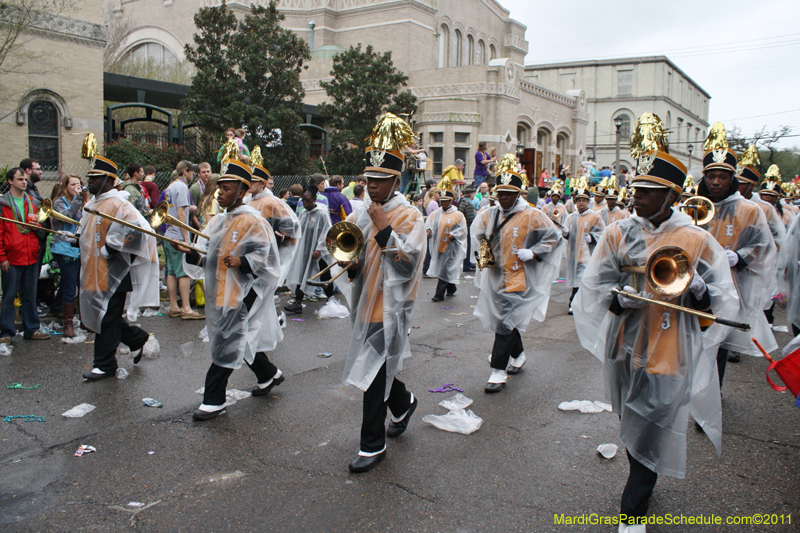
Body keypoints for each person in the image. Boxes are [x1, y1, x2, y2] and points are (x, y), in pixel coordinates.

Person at [573, 116, 738, 532]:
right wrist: (617, 298)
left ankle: (634, 508)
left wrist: (698, 288)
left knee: (655, 418)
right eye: (636, 189)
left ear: (672, 195)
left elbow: (719, 302)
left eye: (648, 191)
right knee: (632, 418)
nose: (638, 197)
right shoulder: (617, 233)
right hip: (625, 343)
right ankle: (643, 469)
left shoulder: (696, 238)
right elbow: (593, 286)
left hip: (670, 349)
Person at [338, 113, 425, 473]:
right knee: (378, 366)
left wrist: (383, 227)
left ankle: (372, 445)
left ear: (396, 180)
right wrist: (351, 266)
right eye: (368, 179)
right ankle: (403, 403)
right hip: (366, 302)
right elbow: (356, 258)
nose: (371, 186)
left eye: (380, 180)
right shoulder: (362, 213)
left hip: (392, 307)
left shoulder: (410, 216)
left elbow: (407, 266)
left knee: (371, 374)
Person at [177, 160, 283, 420]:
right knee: (238, 338)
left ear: (242, 190)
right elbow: (210, 259)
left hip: (244, 292)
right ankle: (268, 374)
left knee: (227, 340)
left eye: (226, 188)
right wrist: (193, 255)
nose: (220, 192)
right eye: (219, 188)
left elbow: (268, 260)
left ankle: (214, 400)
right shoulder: (218, 222)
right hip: (221, 291)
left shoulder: (254, 222)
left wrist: (243, 262)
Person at [471, 154, 563, 393]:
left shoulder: (532, 215)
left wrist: (533, 253)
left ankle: (498, 371)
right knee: (503, 320)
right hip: (495, 276)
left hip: (520, 277)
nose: (503, 198)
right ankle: (518, 354)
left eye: (508, 194)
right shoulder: (489, 214)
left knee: (505, 320)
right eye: (500, 193)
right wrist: (483, 253)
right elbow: (478, 234)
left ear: (518, 194)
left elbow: (553, 237)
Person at [697, 123, 776, 376]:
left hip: (731, 287)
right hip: (698, 284)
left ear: (733, 180)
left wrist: (740, 256)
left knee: (718, 345)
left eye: (723, 177)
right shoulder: (695, 206)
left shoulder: (749, 210)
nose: (716, 182)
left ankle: (711, 400)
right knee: (694, 343)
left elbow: (764, 246)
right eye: (711, 176)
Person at [79, 155, 159, 380]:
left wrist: (111, 248)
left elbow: (138, 232)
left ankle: (105, 364)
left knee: (107, 317)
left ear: (108, 180)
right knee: (106, 315)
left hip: (114, 271)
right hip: (94, 271)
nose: (90, 182)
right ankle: (137, 339)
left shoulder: (119, 203)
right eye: (90, 178)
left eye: (95, 178)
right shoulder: (92, 203)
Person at [0, 167, 49, 343]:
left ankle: (32, 329)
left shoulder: (35, 202)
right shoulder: (3, 203)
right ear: (10, 182)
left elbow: (43, 230)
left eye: (25, 179)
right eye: (20, 179)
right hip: (12, 257)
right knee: (9, 295)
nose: (24, 182)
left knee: (30, 294)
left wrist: (39, 229)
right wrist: (2, 257)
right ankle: (6, 332)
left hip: (31, 254)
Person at [163, 161, 204, 320]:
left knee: (171, 271)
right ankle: (186, 308)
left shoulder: (170, 187)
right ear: (185, 172)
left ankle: (174, 306)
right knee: (184, 272)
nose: (193, 174)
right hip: (178, 234)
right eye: (192, 171)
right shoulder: (182, 187)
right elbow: (181, 214)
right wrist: (186, 237)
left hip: (168, 233)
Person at [249, 163, 301, 287]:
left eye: (253, 181)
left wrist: (276, 237)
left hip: (266, 255)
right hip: (249, 252)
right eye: (248, 180)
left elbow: (293, 226)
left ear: (262, 183)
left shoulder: (272, 202)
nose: (250, 183)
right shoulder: (246, 200)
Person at [284, 190, 334, 313]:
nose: (305, 202)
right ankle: (298, 302)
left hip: (318, 252)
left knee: (324, 274)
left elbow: (327, 232)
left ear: (314, 199)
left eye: (307, 200)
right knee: (301, 274)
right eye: (303, 200)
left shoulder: (322, 214)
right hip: (305, 250)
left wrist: (319, 249)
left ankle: (331, 299)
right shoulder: (303, 214)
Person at [563, 178, 605, 314]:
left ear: (588, 201)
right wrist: (565, 233)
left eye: (584, 200)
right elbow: (567, 232)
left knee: (582, 280)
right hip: (574, 254)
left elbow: (602, 233)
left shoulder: (594, 217)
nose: (581, 202)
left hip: (587, 254)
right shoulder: (571, 217)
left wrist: (592, 237)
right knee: (575, 280)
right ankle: (575, 303)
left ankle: (574, 304)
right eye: (579, 200)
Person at [50, 175, 86, 337]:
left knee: (80, 284)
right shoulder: (59, 202)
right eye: (73, 184)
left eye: (79, 184)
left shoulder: (82, 202)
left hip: (79, 248)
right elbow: (70, 217)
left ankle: (84, 320)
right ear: (66, 187)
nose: (77, 187)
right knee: (70, 285)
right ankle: (68, 324)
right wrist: (78, 199)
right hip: (64, 248)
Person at [426, 188, 467, 301]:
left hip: (451, 246)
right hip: (438, 245)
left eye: (445, 200)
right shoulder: (436, 214)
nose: (442, 203)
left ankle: (439, 295)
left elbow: (463, 230)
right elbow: (429, 225)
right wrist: (428, 231)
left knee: (445, 268)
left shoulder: (458, 215)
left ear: (451, 201)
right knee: (445, 268)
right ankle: (451, 287)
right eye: (441, 200)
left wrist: (454, 234)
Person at [458, 186, 476, 271]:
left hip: (463, 227)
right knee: (468, 247)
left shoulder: (461, 201)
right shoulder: (468, 204)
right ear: (471, 195)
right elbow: (470, 218)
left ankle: (467, 263)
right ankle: (466, 264)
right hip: (467, 228)